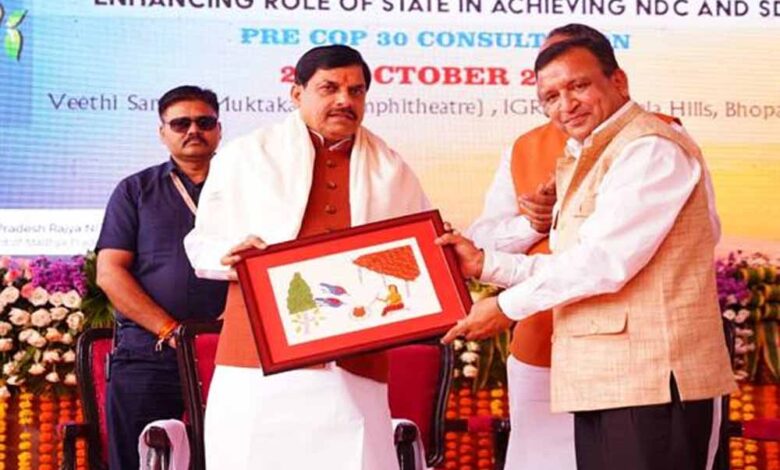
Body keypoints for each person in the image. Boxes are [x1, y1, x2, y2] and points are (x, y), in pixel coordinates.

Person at [439, 28, 736, 470]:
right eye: (551, 97)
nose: (566, 105)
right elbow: (571, 262)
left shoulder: (650, 147)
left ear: (619, 81)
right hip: (604, 380)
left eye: (578, 86)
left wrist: (505, 307)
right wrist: (485, 263)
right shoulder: (588, 153)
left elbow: (602, 263)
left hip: (651, 380)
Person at [184, 45, 429, 470]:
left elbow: (418, 256)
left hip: (354, 359)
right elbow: (201, 242)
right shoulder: (247, 155)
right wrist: (230, 256)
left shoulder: (391, 169)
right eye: (329, 88)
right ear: (297, 93)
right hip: (258, 354)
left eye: (356, 91)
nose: (344, 100)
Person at [95, 85, 229, 469]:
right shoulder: (135, 190)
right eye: (181, 123)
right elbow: (110, 272)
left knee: (231, 457)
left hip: (228, 352)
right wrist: (170, 331)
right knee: (137, 460)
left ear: (219, 129)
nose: (193, 130)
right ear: (162, 132)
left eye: (204, 122)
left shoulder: (244, 188)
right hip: (148, 353)